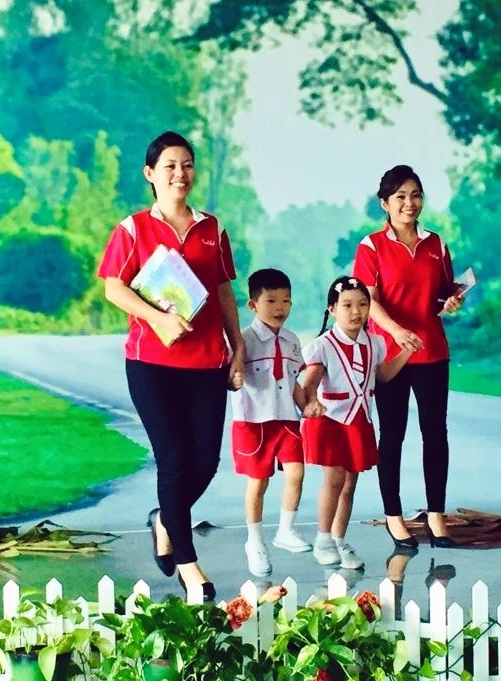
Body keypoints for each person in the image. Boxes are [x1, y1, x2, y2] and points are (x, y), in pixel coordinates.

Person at [97, 131, 245, 601]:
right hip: (152, 364)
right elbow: (114, 288)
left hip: (207, 363)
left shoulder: (211, 228)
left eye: (187, 165)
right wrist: (159, 318)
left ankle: (165, 519)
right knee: (174, 461)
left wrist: (238, 346)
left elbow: (222, 290)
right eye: (170, 166)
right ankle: (188, 563)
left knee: (205, 463)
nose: (180, 174)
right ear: (150, 173)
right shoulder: (133, 229)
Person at [352, 165, 464, 550]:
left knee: (435, 433)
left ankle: (436, 515)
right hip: (390, 355)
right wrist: (397, 332)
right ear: (385, 203)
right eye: (400, 196)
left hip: (432, 350)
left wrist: (451, 301)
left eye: (415, 195)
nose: (409, 203)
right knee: (393, 434)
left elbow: (442, 293)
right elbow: (369, 301)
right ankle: (394, 517)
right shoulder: (371, 246)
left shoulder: (436, 244)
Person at [301, 276, 411, 570]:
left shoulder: (374, 343)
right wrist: (310, 402)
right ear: (332, 309)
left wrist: (407, 351)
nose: (356, 312)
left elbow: (382, 376)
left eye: (363, 304)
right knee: (334, 480)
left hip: (359, 420)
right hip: (330, 420)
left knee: (349, 484)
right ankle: (323, 539)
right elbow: (309, 384)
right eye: (347, 305)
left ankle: (339, 540)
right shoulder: (323, 346)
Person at [230, 268, 312, 578]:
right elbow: (229, 376)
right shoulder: (243, 340)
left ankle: (286, 530)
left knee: (297, 472)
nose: (280, 308)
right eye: (272, 301)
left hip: (287, 419)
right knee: (259, 483)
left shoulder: (292, 341)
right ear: (253, 305)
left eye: (286, 301)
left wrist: (306, 404)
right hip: (254, 422)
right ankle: (254, 541)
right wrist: (233, 380)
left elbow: (293, 381)